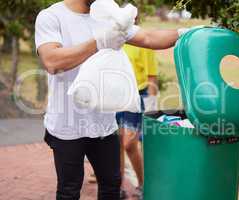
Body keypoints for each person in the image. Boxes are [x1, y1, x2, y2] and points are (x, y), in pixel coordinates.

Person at [35, 0, 189, 199]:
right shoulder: (51, 16)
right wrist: (98, 42)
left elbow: (149, 38)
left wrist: (186, 33)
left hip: (104, 125)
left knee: (111, 185)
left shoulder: (107, 14)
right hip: (67, 126)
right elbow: (52, 61)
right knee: (69, 191)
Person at [116, 44, 158, 199]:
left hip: (137, 96)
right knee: (117, 143)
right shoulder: (115, 40)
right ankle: (118, 188)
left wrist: (151, 107)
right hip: (115, 95)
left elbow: (152, 77)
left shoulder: (144, 42)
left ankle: (143, 185)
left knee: (129, 144)